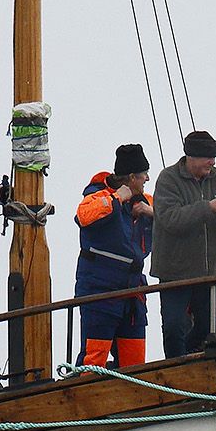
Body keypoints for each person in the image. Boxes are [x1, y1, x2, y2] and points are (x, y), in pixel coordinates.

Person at [151, 130, 216, 357]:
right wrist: (208, 208)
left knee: (206, 329)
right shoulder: (168, 179)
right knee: (173, 327)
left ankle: (192, 366)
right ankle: (174, 370)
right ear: (190, 157)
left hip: (208, 272)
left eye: (214, 157)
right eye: (207, 157)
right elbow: (169, 219)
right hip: (175, 272)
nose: (212, 163)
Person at [72, 143, 154, 368]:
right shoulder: (97, 196)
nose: (147, 178)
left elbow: (173, 218)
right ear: (131, 177)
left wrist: (151, 212)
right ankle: (84, 395)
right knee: (94, 358)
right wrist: (117, 198)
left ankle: (132, 400)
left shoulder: (146, 201)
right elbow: (83, 216)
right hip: (100, 291)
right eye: (144, 174)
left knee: (135, 364)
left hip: (133, 294)